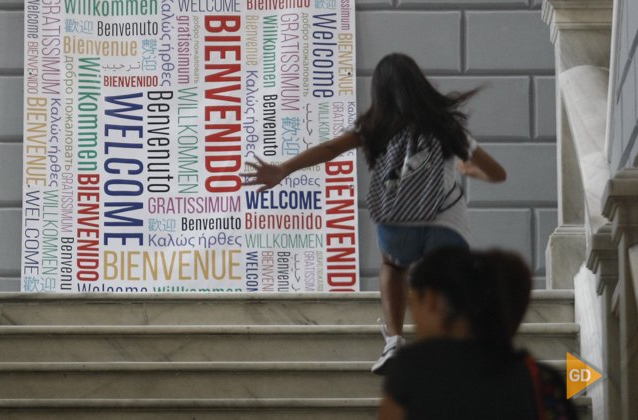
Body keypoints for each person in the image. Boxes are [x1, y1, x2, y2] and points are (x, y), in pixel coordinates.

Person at [240, 53, 506, 374]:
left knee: (393, 269)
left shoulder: (374, 126)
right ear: (418, 84)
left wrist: (283, 168)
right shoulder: (445, 125)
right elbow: (497, 174)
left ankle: (394, 341)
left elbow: (330, 149)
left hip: (397, 223)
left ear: (379, 92)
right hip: (445, 223)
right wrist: (468, 169)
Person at [378, 246, 577, 420]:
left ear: (431, 300)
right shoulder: (543, 380)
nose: (414, 322)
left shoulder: (413, 367)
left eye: (413, 304)